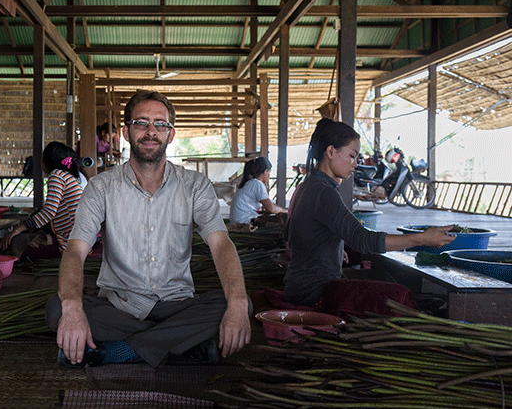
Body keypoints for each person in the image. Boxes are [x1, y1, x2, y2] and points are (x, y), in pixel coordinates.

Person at [45, 90, 251, 368]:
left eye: (160, 124)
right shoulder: (101, 188)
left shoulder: (194, 186)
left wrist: (237, 304)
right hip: (119, 307)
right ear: (127, 131)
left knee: (240, 303)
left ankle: (121, 352)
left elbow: (221, 245)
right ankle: (180, 347)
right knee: (57, 307)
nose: (151, 131)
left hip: (176, 305)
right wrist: (72, 307)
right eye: (141, 122)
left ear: (171, 134)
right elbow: (75, 250)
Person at [283, 118, 455, 314]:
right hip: (314, 294)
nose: (356, 164)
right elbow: (364, 240)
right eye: (352, 156)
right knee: (399, 296)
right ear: (331, 152)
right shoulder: (324, 192)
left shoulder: (307, 186)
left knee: (385, 279)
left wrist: (333, 248)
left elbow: (294, 234)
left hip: (297, 286)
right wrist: (421, 239)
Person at [0, 141, 84, 259]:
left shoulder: (56, 175)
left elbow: (49, 212)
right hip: (78, 235)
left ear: (46, 161)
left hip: (70, 239)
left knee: (17, 244)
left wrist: (17, 229)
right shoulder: (66, 175)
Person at [229, 156, 287, 224]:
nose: (269, 176)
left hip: (237, 221)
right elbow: (271, 209)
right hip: (243, 223)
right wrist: (286, 211)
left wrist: (283, 210)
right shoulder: (257, 184)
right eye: (269, 173)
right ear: (265, 172)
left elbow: (269, 204)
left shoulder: (249, 183)